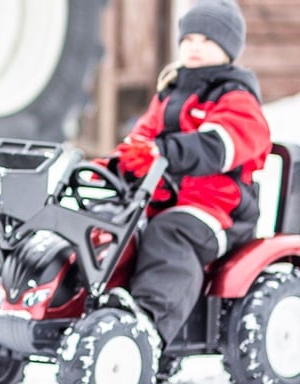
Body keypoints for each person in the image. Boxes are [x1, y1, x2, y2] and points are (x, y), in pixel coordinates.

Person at [107, 0, 271, 348]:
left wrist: (162, 152)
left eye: (208, 40)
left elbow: (217, 146)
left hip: (217, 212)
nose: (195, 46)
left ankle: (149, 324)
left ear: (228, 49)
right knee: (110, 224)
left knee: (170, 232)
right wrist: (120, 164)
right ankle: (89, 302)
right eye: (189, 38)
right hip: (164, 198)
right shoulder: (171, 93)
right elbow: (142, 138)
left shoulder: (237, 98)